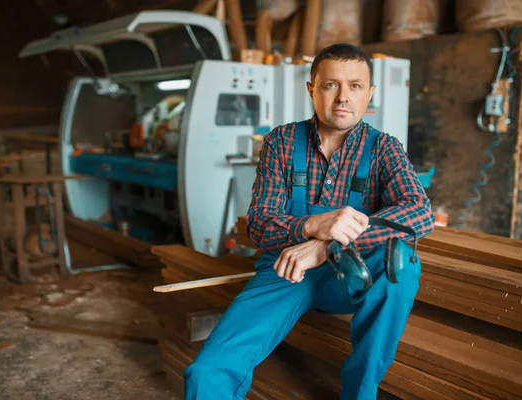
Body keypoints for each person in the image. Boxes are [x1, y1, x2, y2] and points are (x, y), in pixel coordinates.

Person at [184, 43, 435, 399]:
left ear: (370, 94)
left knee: (402, 265)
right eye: (331, 85)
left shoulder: (385, 148)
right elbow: (258, 224)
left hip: (352, 278)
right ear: (311, 89)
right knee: (207, 372)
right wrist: (309, 226)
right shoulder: (282, 142)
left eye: (355, 86)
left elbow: (419, 212)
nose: (342, 98)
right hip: (286, 270)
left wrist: (327, 246)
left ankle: (360, 394)